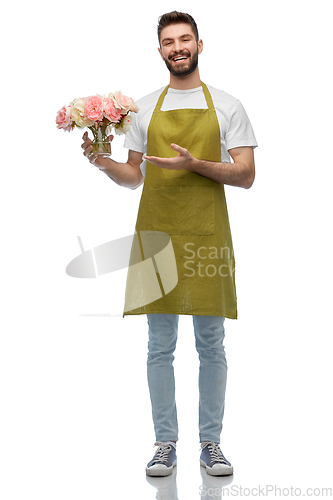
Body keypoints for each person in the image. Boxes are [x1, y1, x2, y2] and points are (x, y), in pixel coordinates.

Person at [81, 11, 258, 477]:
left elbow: (246, 176)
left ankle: (212, 444)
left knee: (211, 342)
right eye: (167, 41)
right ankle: (164, 443)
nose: (177, 47)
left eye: (184, 39)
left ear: (200, 44)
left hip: (207, 233)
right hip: (157, 232)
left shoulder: (228, 106)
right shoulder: (141, 108)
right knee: (159, 344)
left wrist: (196, 164)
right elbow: (134, 177)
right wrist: (103, 163)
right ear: (159, 50)